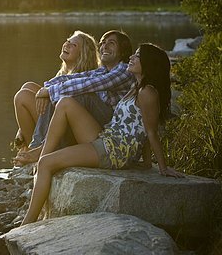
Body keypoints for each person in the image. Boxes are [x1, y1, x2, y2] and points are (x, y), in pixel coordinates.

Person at [22, 43, 184, 225]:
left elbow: (151, 131)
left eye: (137, 56)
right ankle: (43, 152)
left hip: (114, 151)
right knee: (65, 102)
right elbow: (142, 128)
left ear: (149, 63)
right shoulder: (137, 87)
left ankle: (26, 224)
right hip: (108, 139)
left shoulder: (148, 93)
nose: (131, 57)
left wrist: (162, 167)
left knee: (46, 164)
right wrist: (146, 163)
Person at [14, 30, 134, 165]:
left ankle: (39, 148)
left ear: (123, 51)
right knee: (31, 89)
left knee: (79, 94)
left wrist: (50, 92)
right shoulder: (103, 70)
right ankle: (35, 146)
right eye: (103, 43)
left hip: (109, 127)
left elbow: (90, 84)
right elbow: (77, 77)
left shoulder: (124, 70)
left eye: (111, 43)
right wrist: (46, 89)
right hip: (92, 120)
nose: (105, 46)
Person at [13, 31, 99, 152]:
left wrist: (45, 95)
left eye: (73, 45)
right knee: (29, 86)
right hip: (52, 122)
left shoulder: (82, 79)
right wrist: (21, 129)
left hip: (65, 132)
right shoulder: (63, 74)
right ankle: (29, 147)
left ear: (83, 54)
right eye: (68, 41)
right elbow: (47, 94)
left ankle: (34, 149)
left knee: (22, 97)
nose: (66, 45)